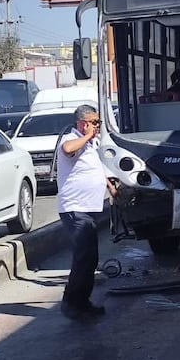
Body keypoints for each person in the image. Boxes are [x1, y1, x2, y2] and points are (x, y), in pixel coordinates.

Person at [55, 104, 116, 319]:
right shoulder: (71, 139)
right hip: (75, 208)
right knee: (83, 257)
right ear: (82, 123)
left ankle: (83, 302)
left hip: (88, 208)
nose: (97, 126)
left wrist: (110, 186)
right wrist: (88, 135)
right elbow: (67, 149)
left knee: (90, 257)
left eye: (98, 122)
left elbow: (95, 169)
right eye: (94, 122)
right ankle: (71, 303)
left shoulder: (91, 143)